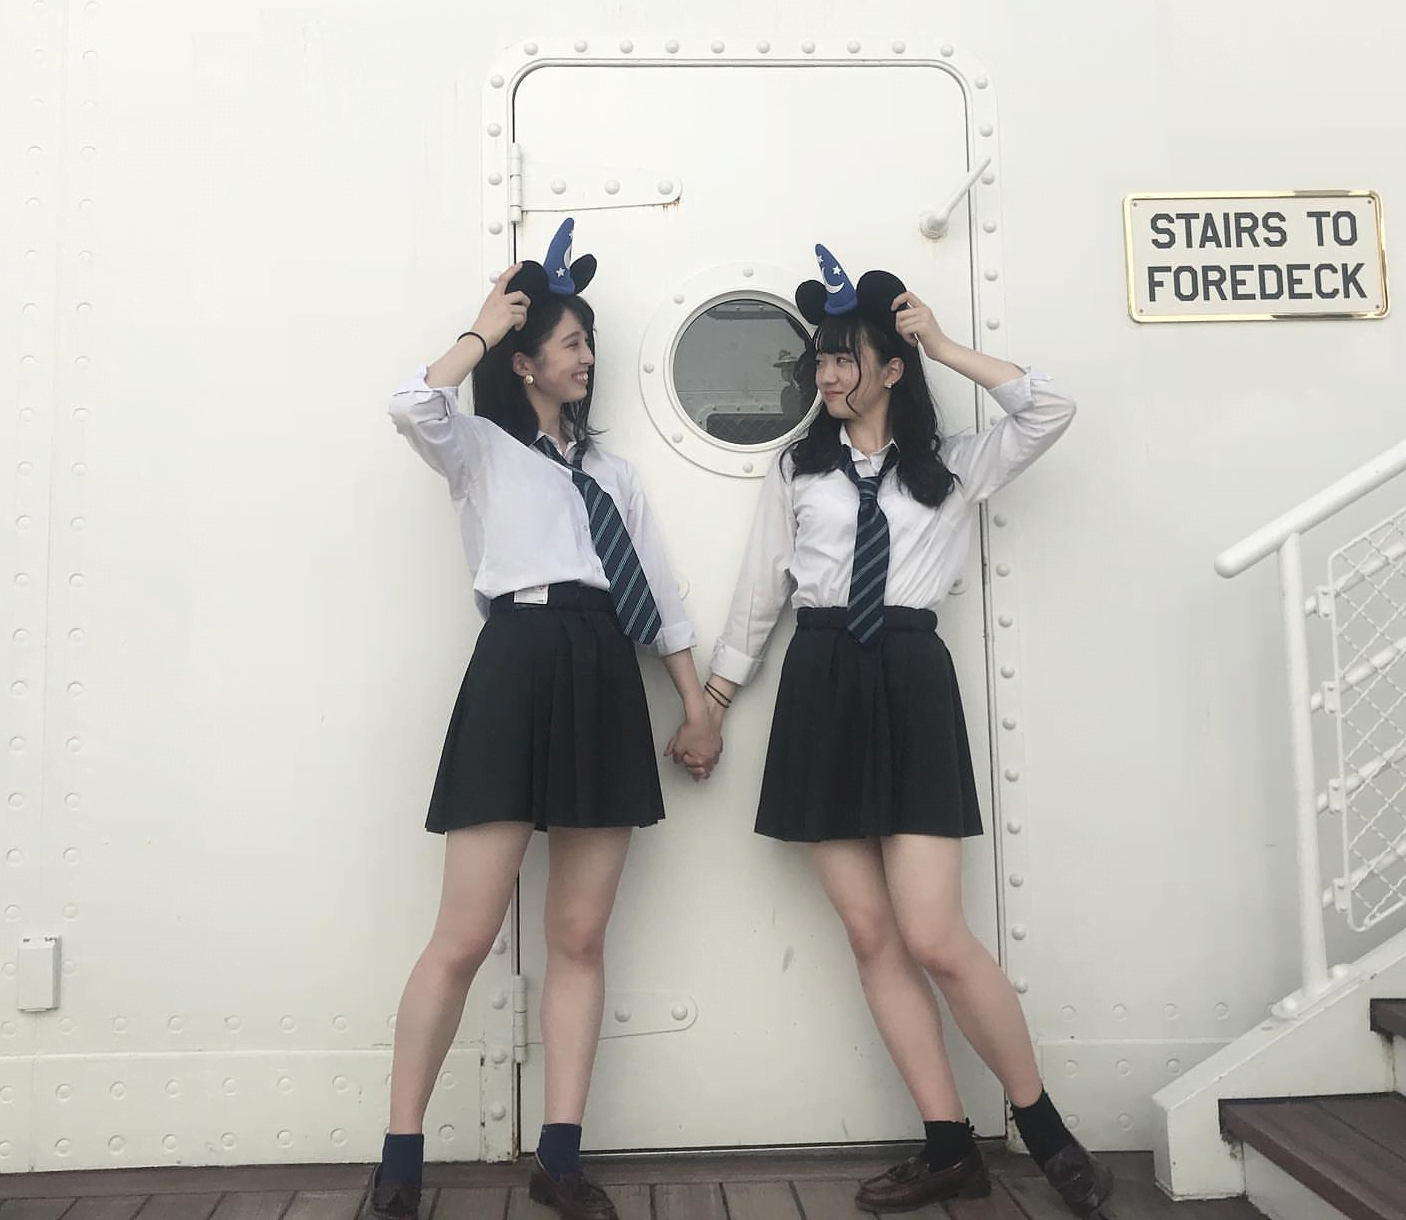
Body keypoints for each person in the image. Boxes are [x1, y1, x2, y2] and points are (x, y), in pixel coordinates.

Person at [696, 245, 1111, 1216]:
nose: (827, 375)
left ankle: (1046, 1131)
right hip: (821, 678)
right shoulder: (797, 469)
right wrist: (712, 702)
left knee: (935, 934)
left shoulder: (953, 466)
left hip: (912, 680)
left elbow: (1050, 408)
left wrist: (946, 346)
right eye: (820, 359)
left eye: (845, 358)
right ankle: (948, 1146)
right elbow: (760, 594)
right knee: (871, 932)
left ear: (890, 367)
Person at [373, 220, 720, 1220]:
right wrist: (484, 328)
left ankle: (559, 1160)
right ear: (525, 361)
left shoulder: (613, 475)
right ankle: (400, 1162)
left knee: (578, 936)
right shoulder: (479, 448)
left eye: (590, 343)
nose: (588, 357)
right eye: (572, 342)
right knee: (462, 937)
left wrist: (695, 703)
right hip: (517, 666)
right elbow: (410, 402)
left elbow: (660, 593)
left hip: (604, 670)